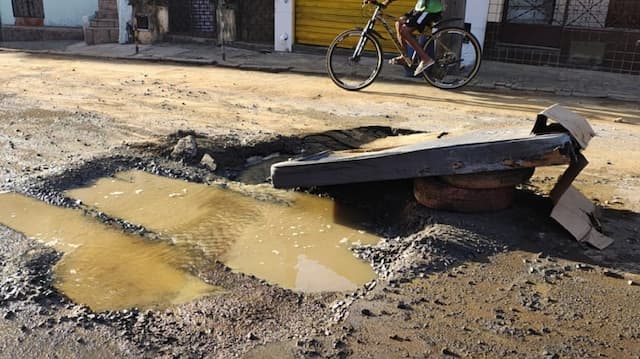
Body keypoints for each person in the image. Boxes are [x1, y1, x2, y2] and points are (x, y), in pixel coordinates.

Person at [370, 0, 443, 76]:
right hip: (420, 8)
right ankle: (405, 56)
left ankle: (426, 59)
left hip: (430, 9)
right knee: (399, 23)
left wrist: (386, 2)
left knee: (405, 31)